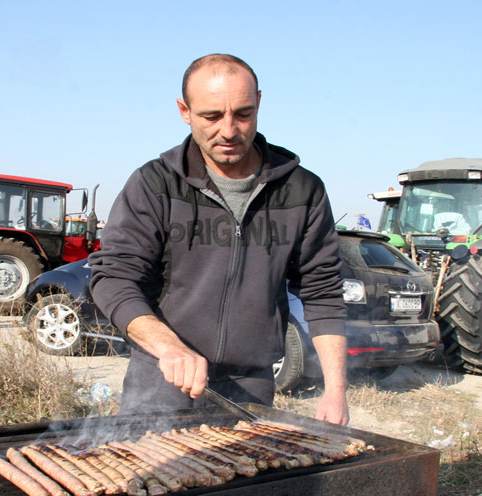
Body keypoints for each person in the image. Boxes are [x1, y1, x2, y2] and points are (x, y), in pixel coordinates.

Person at [89, 54, 349, 426]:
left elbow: (322, 292)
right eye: (211, 116)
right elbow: (113, 278)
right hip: (162, 379)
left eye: (243, 114)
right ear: (184, 111)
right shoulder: (154, 184)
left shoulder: (302, 190)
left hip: (250, 387)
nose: (228, 130)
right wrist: (168, 346)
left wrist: (336, 390)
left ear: (259, 102)